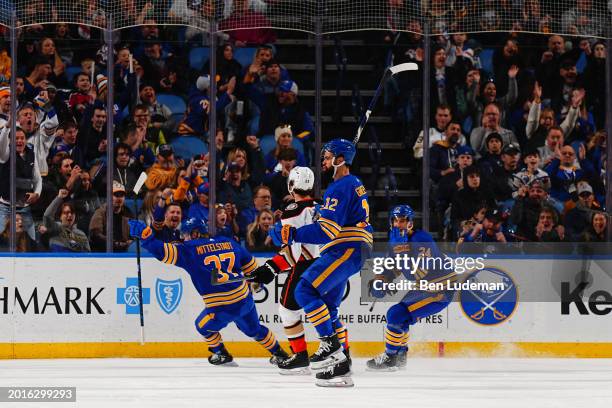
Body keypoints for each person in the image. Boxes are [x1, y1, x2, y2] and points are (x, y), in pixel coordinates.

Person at [270, 138, 372, 387]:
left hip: (346, 249)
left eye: (327, 157)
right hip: (347, 249)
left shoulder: (339, 187)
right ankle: (341, 368)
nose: (324, 162)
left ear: (339, 160)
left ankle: (329, 342)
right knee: (329, 308)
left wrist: (292, 234)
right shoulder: (350, 183)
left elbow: (327, 230)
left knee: (304, 290)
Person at [128, 217, 288, 366]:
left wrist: (146, 236)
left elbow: (162, 251)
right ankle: (280, 354)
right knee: (254, 329)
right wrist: (256, 284)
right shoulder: (228, 242)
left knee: (202, 326)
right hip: (245, 300)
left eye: (186, 235)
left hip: (221, 308)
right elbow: (252, 267)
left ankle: (221, 353)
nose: (184, 239)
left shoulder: (189, 250)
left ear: (195, 233)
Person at [249, 167, 322, 374]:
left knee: (288, 310)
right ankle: (343, 355)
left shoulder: (293, 210)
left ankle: (300, 357)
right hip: (329, 263)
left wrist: (269, 269)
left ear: (291, 186)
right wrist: (269, 269)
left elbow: (292, 251)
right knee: (329, 310)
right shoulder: (324, 207)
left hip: (307, 265)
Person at [366, 205, 455, 370]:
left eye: (403, 221)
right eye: (396, 220)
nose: (399, 224)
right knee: (401, 317)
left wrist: (401, 252)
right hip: (425, 287)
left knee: (396, 313)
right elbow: (390, 266)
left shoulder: (422, 239)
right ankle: (400, 355)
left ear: (410, 223)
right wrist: (381, 280)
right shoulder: (396, 241)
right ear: (391, 222)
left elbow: (416, 273)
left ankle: (390, 357)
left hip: (440, 290)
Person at [89, 181, 133, 252]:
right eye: (116, 195)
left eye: (122, 195)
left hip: (124, 253)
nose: (119, 198)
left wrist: (131, 241)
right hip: (104, 253)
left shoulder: (128, 213)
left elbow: (134, 234)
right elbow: (95, 235)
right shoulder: (100, 212)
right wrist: (116, 244)